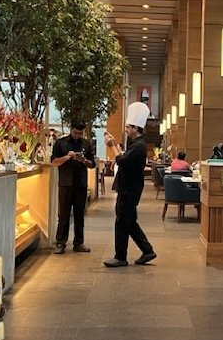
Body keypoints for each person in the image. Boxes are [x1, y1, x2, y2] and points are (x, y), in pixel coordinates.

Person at [103, 102, 157, 267]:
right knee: (129, 221)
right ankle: (147, 250)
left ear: (135, 128)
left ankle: (120, 257)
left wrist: (112, 146)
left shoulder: (139, 146)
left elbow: (122, 161)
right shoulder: (136, 145)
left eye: (128, 127)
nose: (126, 129)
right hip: (130, 188)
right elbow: (124, 159)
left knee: (122, 221)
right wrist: (117, 149)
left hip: (129, 189)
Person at [50, 121, 96, 254]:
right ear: (71, 129)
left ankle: (79, 243)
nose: (77, 135)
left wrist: (85, 161)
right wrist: (67, 157)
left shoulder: (86, 144)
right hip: (65, 183)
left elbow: (92, 164)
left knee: (79, 215)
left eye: (80, 133)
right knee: (63, 214)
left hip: (81, 184)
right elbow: (53, 162)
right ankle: (60, 242)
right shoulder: (61, 143)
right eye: (75, 132)